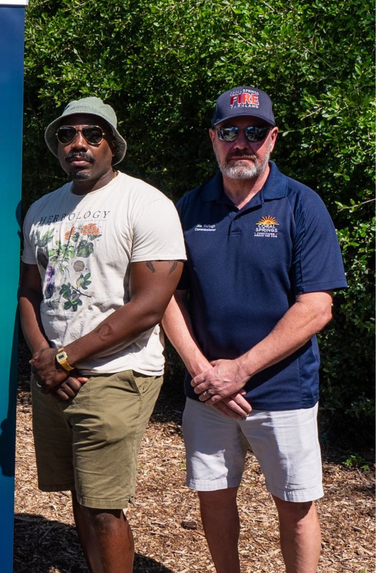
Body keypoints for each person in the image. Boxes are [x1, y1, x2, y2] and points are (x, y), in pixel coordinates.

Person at [162, 86, 346, 573]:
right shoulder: (188, 207)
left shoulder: (302, 205)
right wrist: (204, 373)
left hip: (284, 390)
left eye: (254, 131)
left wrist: (239, 371)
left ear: (273, 139)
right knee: (214, 497)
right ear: (213, 138)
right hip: (207, 393)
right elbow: (167, 299)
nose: (241, 142)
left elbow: (317, 307)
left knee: (297, 504)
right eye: (229, 132)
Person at [18, 97, 185, 573]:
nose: (79, 144)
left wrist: (65, 359)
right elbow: (30, 290)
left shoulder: (145, 204)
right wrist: (45, 358)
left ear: (113, 145)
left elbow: (149, 306)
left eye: (93, 135)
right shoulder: (42, 210)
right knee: (81, 493)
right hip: (55, 373)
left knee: (104, 507)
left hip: (116, 372)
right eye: (67, 136)